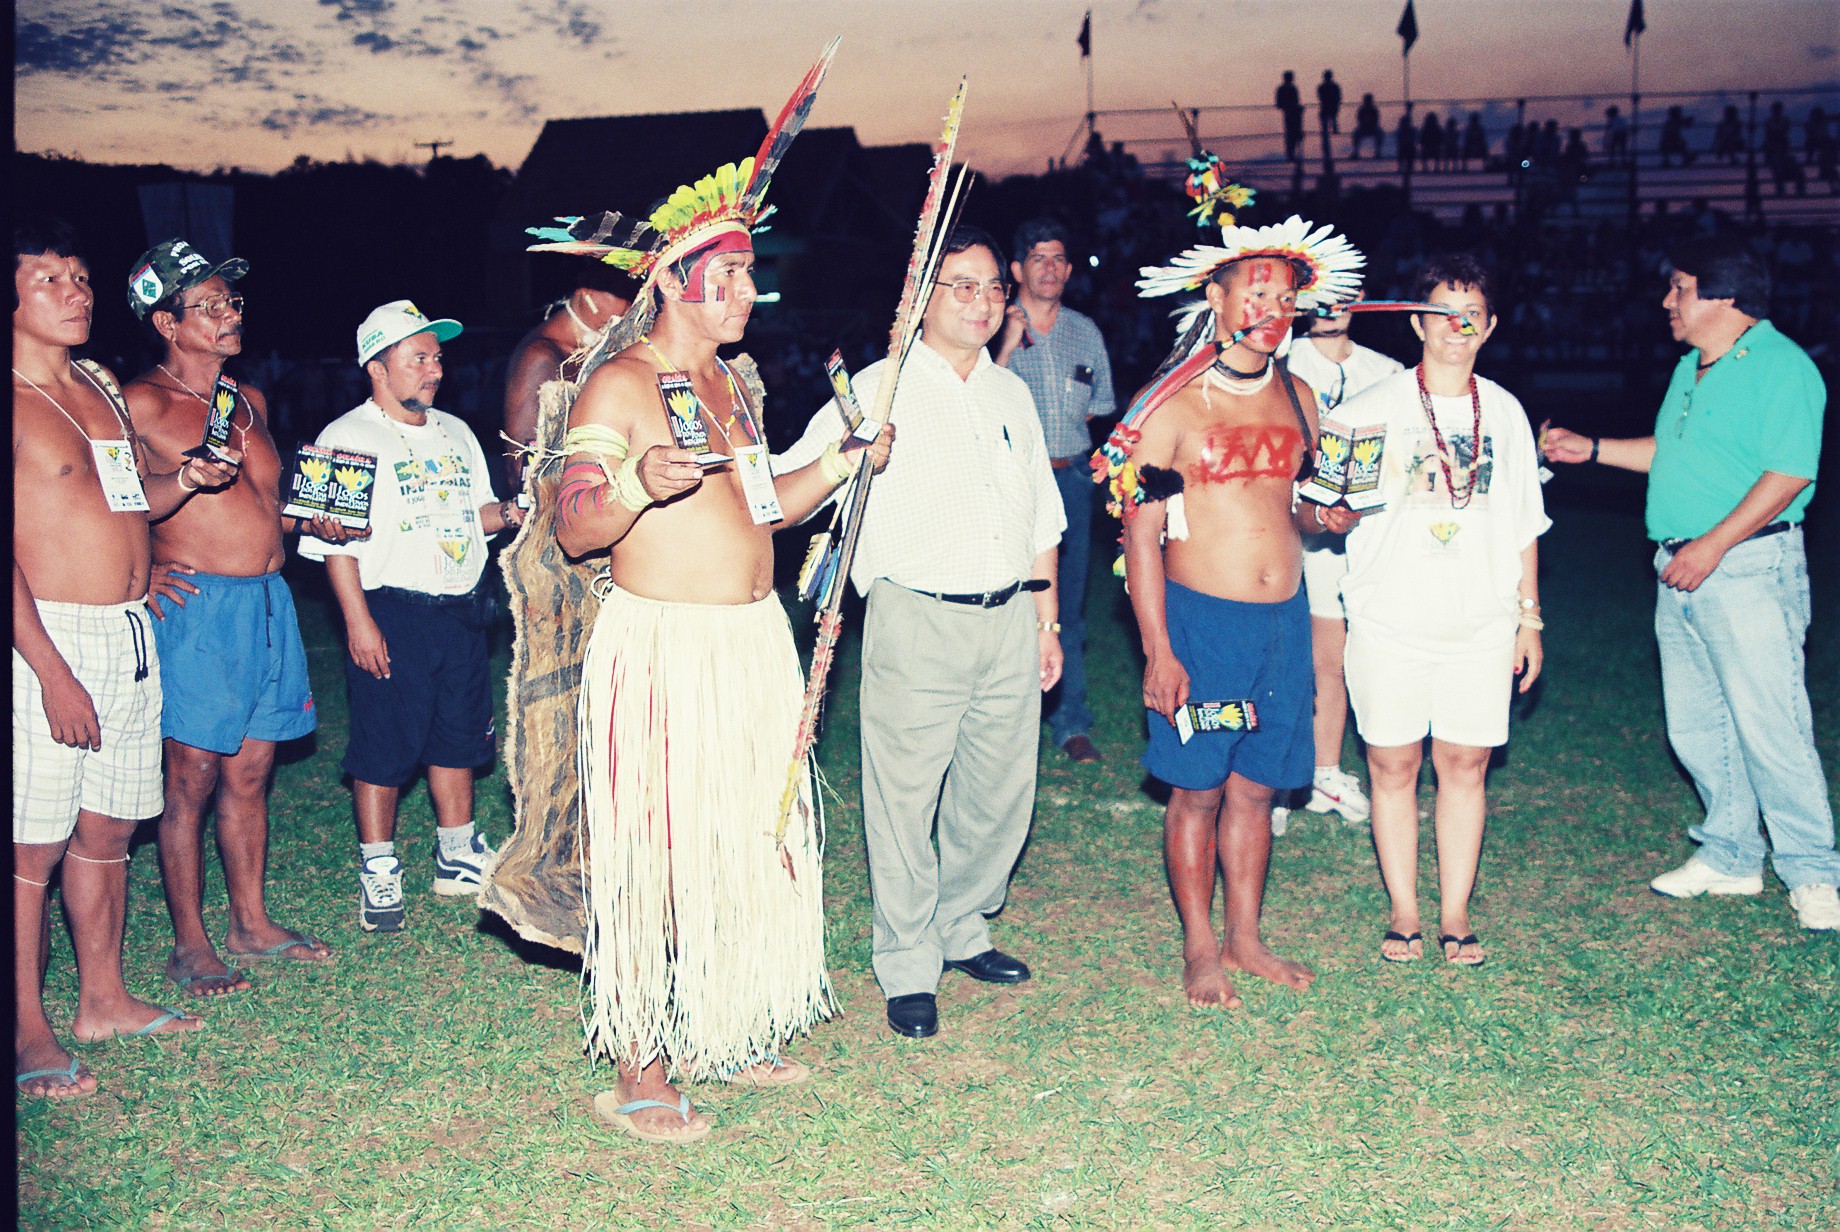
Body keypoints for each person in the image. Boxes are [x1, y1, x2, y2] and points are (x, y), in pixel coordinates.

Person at [493, 42, 894, 1143]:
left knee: (744, 838)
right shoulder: (616, 384)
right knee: (659, 852)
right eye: (736, 276)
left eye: (752, 275)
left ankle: (729, 1018)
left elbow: (769, 506)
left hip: (750, 643)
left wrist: (849, 453)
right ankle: (639, 1056)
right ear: (676, 280)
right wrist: (631, 488)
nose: (753, 291)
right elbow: (573, 526)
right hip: (662, 648)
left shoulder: (733, 383)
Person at [783, 226, 1065, 1042]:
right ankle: (908, 960)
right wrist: (848, 457)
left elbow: (1042, 517)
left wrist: (1045, 620)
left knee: (998, 794)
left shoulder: (1010, 393)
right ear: (920, 301)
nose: (982, 303)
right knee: (905, 801)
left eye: (991, 288)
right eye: (962, 287)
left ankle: (963, 927)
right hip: (916, 617)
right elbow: (797, 490)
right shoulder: (875, 390)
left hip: (1010, 615)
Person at [1097, 204, 1365, 1009]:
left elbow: (1298, 509)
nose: (1269, 312)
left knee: (1257, 788)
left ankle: (1247, 938)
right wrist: (1158, 649)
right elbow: (1140, 541)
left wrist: (1328, 518)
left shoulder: (1302, 397)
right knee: (1200, 790)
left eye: (1282, 297)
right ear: (1213, 298)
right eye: (1253, 293)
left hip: (1283, 625)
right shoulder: (1168, 409)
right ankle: (1200, 947)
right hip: (1201, 627)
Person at [1542, 237, 1838, 932]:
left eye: (1680, 288)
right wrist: (1590, 449)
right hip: (1680, 568)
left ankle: (1815, 870)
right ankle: (1731, 855)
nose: (1667, 301)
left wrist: (1712, 544)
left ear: (1724, 296)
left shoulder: (1782, 366)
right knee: (1700, 723)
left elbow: (1791, 472)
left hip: (1746, 568)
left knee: (1773, 726)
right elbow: (1670, 454)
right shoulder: (1690, 369)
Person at [13, 218, 232, 1097]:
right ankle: (26, 1030)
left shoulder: (97, 389)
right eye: (50, 280)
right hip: (46, 640)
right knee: (32, 843)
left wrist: (186, 484)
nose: (77, 291)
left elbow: (123, 496)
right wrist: (51, 671)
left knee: (107, 830)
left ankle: (101, 997)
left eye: (80, 275)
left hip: (131, 633)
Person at [123, 239, 357, 998]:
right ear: (166, 321)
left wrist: (311, 521)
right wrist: (142, 569)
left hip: (267, 603)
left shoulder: (244, 400)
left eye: (233, 303)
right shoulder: (141, 403)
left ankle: (249, 923)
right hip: (199, 611)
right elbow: (112, 500)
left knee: (252, 770)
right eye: (210, 305)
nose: (229, 315)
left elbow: (263, 509)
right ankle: (190, 943)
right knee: (189, 776)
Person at [1333, 254, 1549, 968]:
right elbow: (1328, 509)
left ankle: (1455, 912)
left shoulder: (1507, 412)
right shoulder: (1368, 409)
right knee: (1391, 767)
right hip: (1388, 618)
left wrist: (1529, 618)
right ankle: (1405, 910)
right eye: (1443, 313)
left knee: (1464, 765)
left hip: (1480, 625)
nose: (1456, 328)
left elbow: (1524, 524)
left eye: (1472, 315)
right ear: (1418, 321)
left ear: (1488, 326)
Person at [298, 301, 525, 934]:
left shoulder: (456, 431)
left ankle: (456, 853)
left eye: (437, 357)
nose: (434, 369)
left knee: (460, 731)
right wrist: (357, 621)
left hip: (459, 607)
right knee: (384, 742)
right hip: (391, 608)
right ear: (376, 365)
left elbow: (474, 515)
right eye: (417, 358)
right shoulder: (345, 439)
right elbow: (332, 542)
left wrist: (513, 512)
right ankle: (378, 867)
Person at [1273, 293, 1405, 836]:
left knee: (1334, 659)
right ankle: (1278, 782)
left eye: (1346, 295)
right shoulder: (1281, 358)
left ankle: (1325, 771)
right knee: (1285, 660)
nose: (1335, 305)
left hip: (1352, 534)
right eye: (1321, 296)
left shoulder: (1388, 371)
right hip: (1283, 526)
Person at [993, 218, 1116, 763]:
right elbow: (971, 396)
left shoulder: (1084, 331)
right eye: (1037, 257)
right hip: (1005, 479)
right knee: (1000, 600)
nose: (1049, 267)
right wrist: (1005, 346)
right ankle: (1005, 723)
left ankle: (1070, 722)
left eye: (1058, 258)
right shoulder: (988, 324)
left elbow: (1099, 408)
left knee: (1065, 603)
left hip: (1069, 480)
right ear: (1017, 269)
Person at [502, 264, 631, 489]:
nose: (631, 306)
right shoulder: (540, 356)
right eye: (623, 292)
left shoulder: (603, 351)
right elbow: (521, 470)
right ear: (585, 287)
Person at [1275, 72, 1305, 163]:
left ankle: (1291, 154)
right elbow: (1295, 101)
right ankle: (1293, 154)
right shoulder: (1291, 88)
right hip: (1291, 114)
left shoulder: (1282, 88)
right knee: (1294, 134)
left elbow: (1278, 104)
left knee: (1291, 134)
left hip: (1289, 113)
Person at [1351, 94, 1384, 160]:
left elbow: (1376, 120)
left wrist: (1370, 123)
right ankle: (1356, 153)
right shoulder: (1361, 110)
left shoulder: (1374, 110)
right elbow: (1359, 119)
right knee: (1355, 134)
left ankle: (1378, 152)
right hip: (1363, 128)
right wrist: (1364, 124)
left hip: (1372, 128)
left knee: (1380, 133)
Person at [1316, 71, 1342, 143]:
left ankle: (1334, 129)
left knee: (1325, 132)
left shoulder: (1322, 87)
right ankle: (1335, 128)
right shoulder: (1335, 86)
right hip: (1330, 109)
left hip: (1326, 109)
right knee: (1331, 122)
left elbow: (1320, 97)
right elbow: (1338, 98)